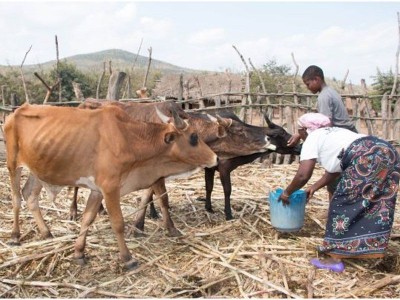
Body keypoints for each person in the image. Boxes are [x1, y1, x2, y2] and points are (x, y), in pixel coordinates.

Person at [279, 113, 400, 272]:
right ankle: (369, 248)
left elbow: (303, 174)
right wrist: (314, 187)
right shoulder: (335, 133)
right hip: (388, 152)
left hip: (366, 157)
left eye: (299, 130)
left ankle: (334, 258)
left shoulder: (313, 138)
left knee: (341, 203)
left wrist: (287, 193)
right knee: (378, 203)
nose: (299, 134)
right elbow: (336, 169)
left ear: (304, 130)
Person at [287, 65, 357, 200]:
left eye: (308, 84)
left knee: (335, 179)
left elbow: (324, 125)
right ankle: (333, 211)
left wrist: (308, 139)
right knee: (335, 177)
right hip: (348, 136)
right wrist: (298, 134)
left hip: (342, 140)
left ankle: (334, 212)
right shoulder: (331, 92)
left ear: (316, 79)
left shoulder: (324, 97)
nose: (308, 87)